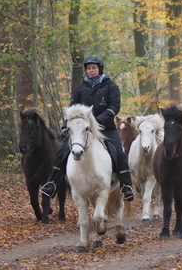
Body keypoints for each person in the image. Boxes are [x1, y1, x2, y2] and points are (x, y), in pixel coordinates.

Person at [41, 55, 135, 202]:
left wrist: (96, 122)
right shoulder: (80, 88)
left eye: (94, 68)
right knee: (63, 151)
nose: (91, 71)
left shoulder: (111, 86)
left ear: (99, 69)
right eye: (88, 68)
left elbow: (114, 107)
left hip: (105, 127)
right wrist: (67, 126)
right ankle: (51, 183)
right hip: (80, 129)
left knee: (118, 152)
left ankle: (126, 185)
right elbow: (73, 109)